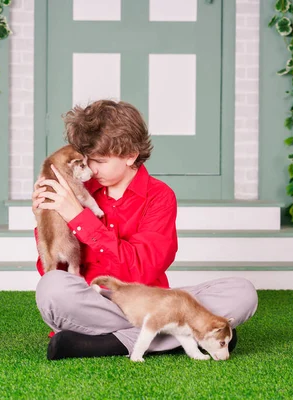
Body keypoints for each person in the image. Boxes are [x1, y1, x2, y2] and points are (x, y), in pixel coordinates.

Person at [32, 100, 258, 360]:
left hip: (149, 303)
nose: (91, 169)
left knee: (242, 292)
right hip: (92, 302)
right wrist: (45, 218)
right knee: (51, 288)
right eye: (87, 161)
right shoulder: (77, 193)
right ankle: (177, 336)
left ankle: (102, 343)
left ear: (130, 155)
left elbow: (143, 268)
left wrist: (80, 218)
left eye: (100, 161)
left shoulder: (159, 196)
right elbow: (52, 270)